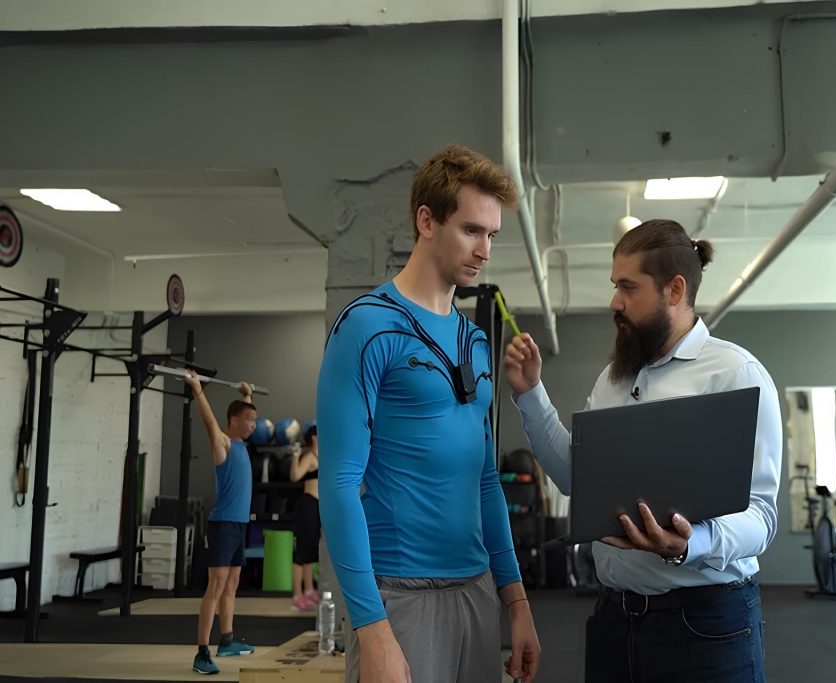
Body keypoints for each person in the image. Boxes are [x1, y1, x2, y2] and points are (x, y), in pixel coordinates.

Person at [504, 219, 782, 683]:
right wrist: (531, 393)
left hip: (705, 624)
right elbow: (577, 480)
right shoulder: (614, 378)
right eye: (615, 286)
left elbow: (762, 516)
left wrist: (691, 544)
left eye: (628, 288)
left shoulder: (735, 374)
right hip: (614, 620)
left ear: (675, 290)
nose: (615, 302)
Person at [317, 144, 542, 683]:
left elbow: (485, 480)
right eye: (471, 230)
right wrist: (371, 627)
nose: (485, 250)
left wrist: (515, 601)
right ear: (426, 221)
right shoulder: (367, 326)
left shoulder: (475, 342)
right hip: (400, 597)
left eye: (492, 234)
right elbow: (339, 483)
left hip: (476, 590)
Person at [185, 371, 259, 675]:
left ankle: (226, 640)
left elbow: (243, 410)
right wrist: (197, 389)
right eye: (249, 420)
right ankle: (201, 652)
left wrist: (246, 394)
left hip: (239, 525)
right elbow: (209, 422)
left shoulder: (242, 445)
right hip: (223, 524)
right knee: (215, 586)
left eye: (255, 420)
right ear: (233, 421)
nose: (254, 425)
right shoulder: (223, 444)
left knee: (232, 583)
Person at [289, 424, 320, 611]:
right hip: (307, 504)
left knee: (311, 549)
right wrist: (295, 456)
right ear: (314, 438)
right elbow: (295, 476)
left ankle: (308, 590)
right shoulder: (309, 456)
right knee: (302, 550)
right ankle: (297, 594)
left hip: (317, 506)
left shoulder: (321, 456)